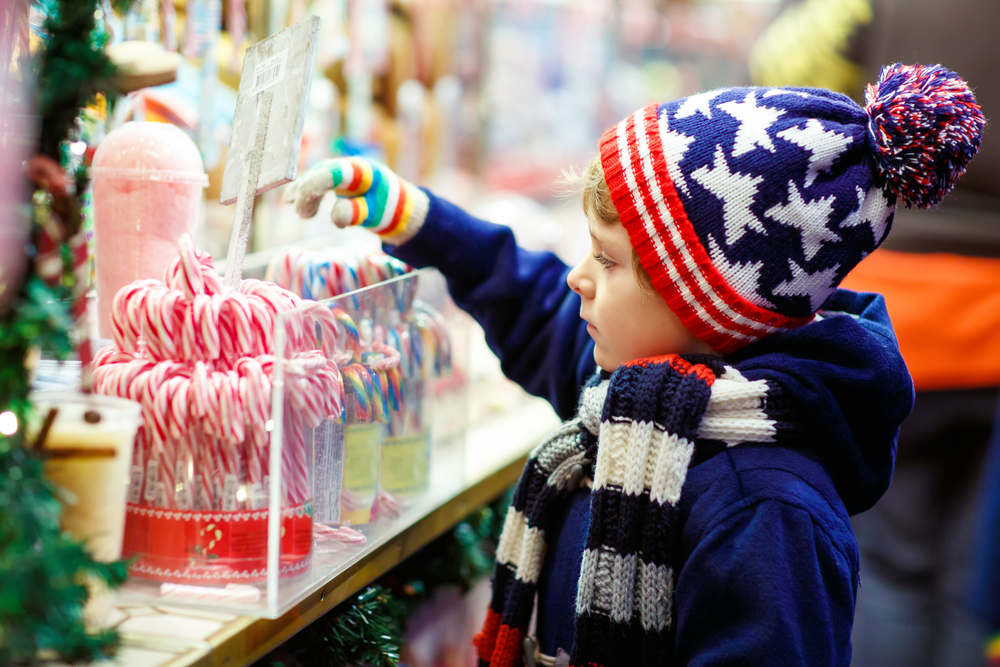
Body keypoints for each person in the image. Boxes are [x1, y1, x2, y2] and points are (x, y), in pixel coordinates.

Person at [283, 63, 983, 665]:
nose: (576, 278)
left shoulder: (765, 512)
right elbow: (531, 304)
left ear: (710, 307)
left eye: (609, 260)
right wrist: (415, 217)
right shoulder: (637, 392)